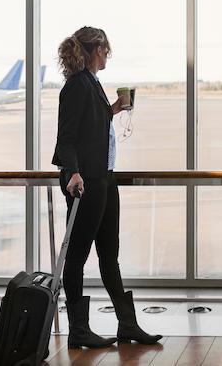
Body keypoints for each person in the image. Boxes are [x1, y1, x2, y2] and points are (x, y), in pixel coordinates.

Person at [52, 26, 162, 349]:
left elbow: (90, 125)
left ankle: (127, 324)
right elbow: (67, 138)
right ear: (96, 49)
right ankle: (78, 330)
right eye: (105, 50)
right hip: (86, 181)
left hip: (104, 178)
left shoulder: (91, 83)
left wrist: (113, 109)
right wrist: (72, 173)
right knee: (77, 256)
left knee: (108, 255)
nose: (108, 55)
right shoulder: (76, 86)